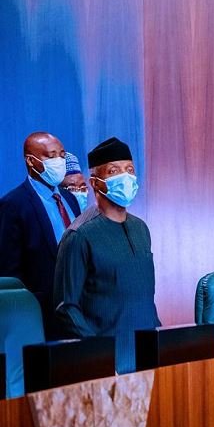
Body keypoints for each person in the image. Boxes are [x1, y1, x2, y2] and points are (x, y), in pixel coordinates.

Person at [54, 137, 161, 373]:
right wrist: (100, 354)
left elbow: (145, 297)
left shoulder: (141, 229)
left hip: (149, 358)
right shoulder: (79, 235)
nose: (126, 176)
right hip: (108, 365)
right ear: (95, 183)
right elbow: (66, 308)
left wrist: (160, 342)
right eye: (114, 171)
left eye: (129, 170)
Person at [0, 132, 80, 339]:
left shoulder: (70, 199)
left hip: (80, 310)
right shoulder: (14, 204)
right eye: (51, 155)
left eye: (62, 154)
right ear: (31, 161)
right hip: (43, 316)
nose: (59, 161)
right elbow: (10, 271)